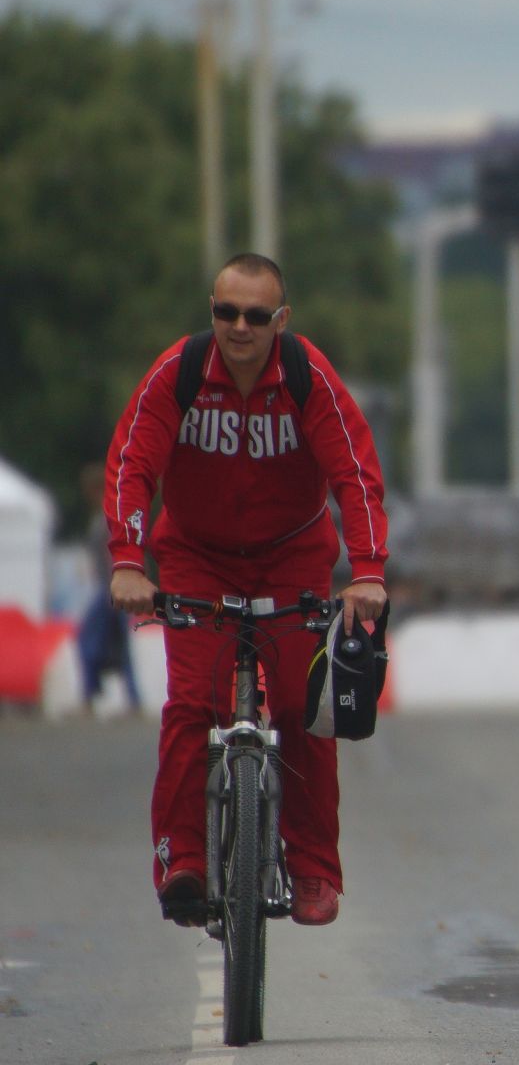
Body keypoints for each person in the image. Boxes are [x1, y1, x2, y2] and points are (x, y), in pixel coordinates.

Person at [105, 253, 389, 929]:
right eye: (225, 312)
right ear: (211, 310)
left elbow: (355, 472)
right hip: (197, 559)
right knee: (189, 704)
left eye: (256, 316)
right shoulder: (176, 372)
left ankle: (315, 866)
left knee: (301, 707)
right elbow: (132, 463)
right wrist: (126, 560)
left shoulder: (306, 376)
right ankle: (184, 861)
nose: (238, 327)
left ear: (280, 322)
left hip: (292, 559)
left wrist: (370, 570)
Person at [76, 462, 141, 715]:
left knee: (88, 640)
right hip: (110, 590)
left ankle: (91, 693)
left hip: (111, 591)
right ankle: (130, 697)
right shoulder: (106, 516)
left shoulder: (106, 518)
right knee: (119, 646)